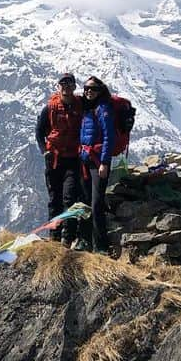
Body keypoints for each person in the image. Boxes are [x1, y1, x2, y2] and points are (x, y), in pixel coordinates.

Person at [35, 73, 83, 244]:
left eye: (69, 85)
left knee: (69, 198)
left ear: (74, 87)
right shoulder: (50, 108)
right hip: (54, 159)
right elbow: (39, 132)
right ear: (59, 87)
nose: (66, 88)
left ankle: (67, 237)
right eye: (63, 85)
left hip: (73, 159)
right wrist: (44, 151)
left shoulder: (81, 105)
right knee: (54, 199)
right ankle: (54, 236)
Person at [78, 75, 115, 253]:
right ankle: (85, 241)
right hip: (85, 159)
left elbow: (109, 137)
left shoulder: (103, 109)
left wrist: (105, 162)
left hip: (98, 161)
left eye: (92, 88)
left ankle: (101, 246)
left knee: (96, 203)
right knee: (84, 202)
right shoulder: (87, 109)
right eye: (86, 88)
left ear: (100, 91)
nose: (88, 91)